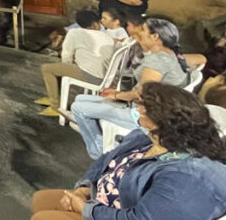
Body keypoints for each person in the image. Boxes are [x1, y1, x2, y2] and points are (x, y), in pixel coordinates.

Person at [30, 82, 226, 220]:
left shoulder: (189, 176)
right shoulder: (147, 139)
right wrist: (84, 188)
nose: (136, 108)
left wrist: (86, 210)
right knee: (43, 200)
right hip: (110, 208)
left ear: (162, 119)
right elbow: (106, 160)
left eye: (142, 106)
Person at [69, 18, 190, 158]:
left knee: (78, 107)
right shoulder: (171, 54)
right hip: (156, 108)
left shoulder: (157, 61)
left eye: (143, 30)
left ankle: (99, 153)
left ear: (155, 36)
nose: (140, 33)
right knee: (81, 98)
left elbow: (141, 94)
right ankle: (100, 133)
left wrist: (116, 95)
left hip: (145, 115)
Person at [36, 11, 113, 117]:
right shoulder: (107, 36)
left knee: (47, 68)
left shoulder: (74, 33)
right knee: (59, 68)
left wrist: (68, 65)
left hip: (91, 77)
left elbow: (66, 57)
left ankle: (55, 107)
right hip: (107, 77)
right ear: (95, 24)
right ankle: (53, 96)